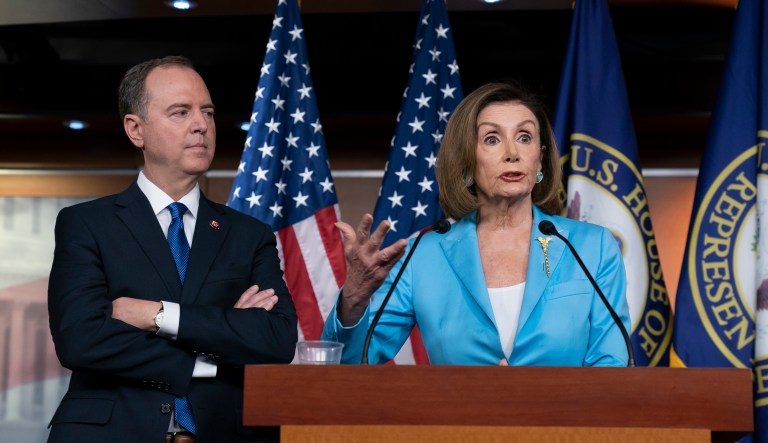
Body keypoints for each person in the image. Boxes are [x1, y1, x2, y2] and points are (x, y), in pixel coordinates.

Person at [47, 56, 297, 443]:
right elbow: (81, 339)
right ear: (136, 130)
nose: (202, 125)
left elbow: (276, 339)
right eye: (180, 112)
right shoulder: (86, 224)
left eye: (208, 112)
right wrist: (214, 350)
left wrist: (156, 315)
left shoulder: (250, 235)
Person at [322, 81, 630, 367]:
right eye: (492, 139)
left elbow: (613, 365)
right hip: (458, 423)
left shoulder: (592, 248)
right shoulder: (422, 254)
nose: (512, 153)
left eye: (524, 137)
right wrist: (355, 297)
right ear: (467, 161)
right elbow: (351, 363)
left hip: (565, 424)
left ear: (539, 160)